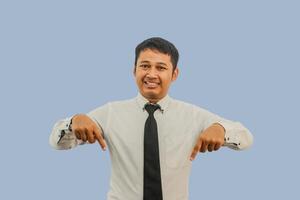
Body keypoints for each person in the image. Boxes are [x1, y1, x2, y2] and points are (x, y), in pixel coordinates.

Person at [49, 37, 253, 200]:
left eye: (161, 68)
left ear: (174, 74)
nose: (151, 74)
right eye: (145, 66)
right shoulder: (110, 113)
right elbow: (58, 144)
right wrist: (73, 121)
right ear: (134, 70)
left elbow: (246, 138)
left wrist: (221, 129)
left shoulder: (192, 115)